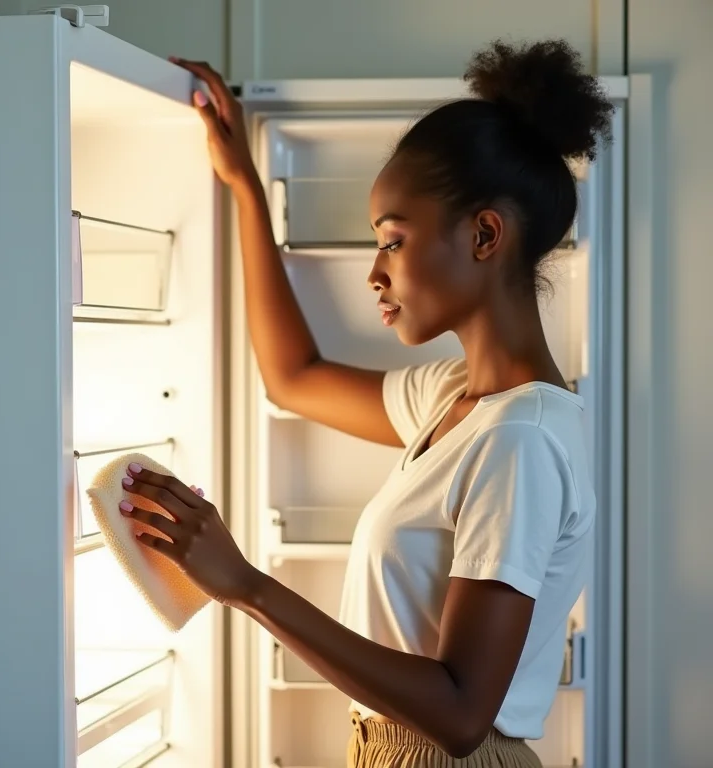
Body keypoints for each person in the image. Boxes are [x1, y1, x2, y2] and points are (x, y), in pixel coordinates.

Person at [118, 39, 614, 767]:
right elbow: (294, 376)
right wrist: (245, 190)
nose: (375, 274)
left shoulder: (521, 439)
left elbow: (460, 713)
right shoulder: (456, 399)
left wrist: (246, 586)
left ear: (483, 235)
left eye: (393, 241)